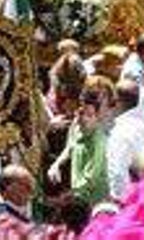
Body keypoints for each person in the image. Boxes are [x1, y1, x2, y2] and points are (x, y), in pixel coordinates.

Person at [49, 76, 114, 210]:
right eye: (94, 94)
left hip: (97, 191)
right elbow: (70, 147)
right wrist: (56, 164)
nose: (98, 99)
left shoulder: (109, 127)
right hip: (78, 187)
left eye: (102, 95)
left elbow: (92, 175)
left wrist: (71, 196)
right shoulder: (78, 122)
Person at [105, 78, 144, 202]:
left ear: (118, 102)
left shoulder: (120, 132)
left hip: (140, 200)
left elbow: (118, 175)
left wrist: (123, 203)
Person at [0, 165, 36, 235]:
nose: (30, 191)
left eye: (31, 187)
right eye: (26, 186)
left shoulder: (19, 213)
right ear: (7, 186)